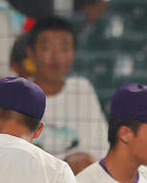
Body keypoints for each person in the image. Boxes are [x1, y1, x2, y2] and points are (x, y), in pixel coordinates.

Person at [24, 15, 107, 165]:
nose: (55, 57)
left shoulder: (82, 89)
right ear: (31, 53)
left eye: (64, 49)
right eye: (46, 48)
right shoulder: (17, 92)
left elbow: (101, 147)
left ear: (74, 53)